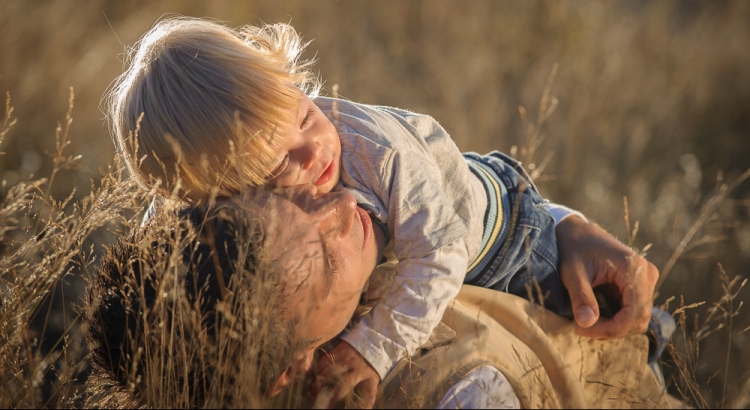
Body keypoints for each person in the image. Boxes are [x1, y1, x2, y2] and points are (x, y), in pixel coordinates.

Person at [107, 17, 659, 406]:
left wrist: (371, 348)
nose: (316, 151)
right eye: (278, 168)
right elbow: (184, 244)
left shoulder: (376, 150)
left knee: (590, 323)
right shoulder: (221, 196)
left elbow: (441, 253)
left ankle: (655, 345)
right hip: (431, 234)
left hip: (498, 234)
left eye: (303, 115)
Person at [83, 188, 671, 408]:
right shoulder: (454, 389)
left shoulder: (336, 303)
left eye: (292, 200)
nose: (342, 206)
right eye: (325, 254)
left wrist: (558, 226)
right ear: (290, 372)